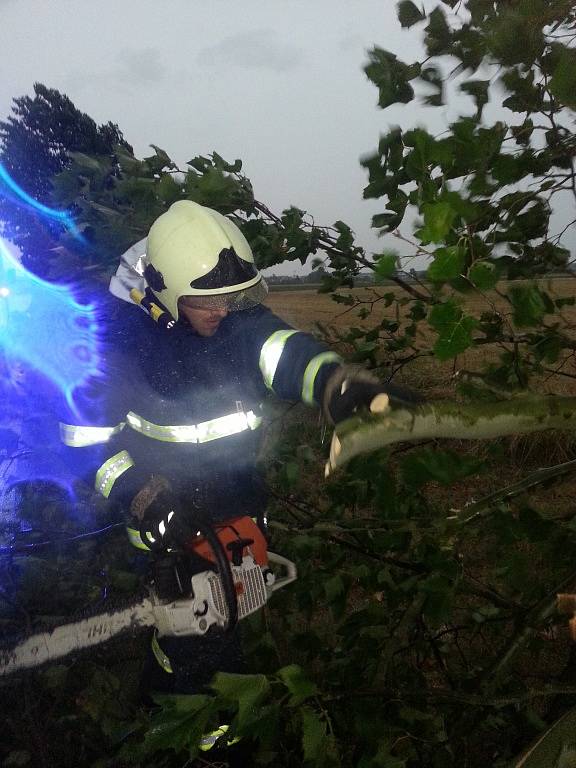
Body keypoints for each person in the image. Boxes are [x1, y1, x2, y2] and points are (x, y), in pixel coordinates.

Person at [59, 200, 413, 700]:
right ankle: (213, 746)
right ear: (163, 294)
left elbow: (278, 347)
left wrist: (334, 382)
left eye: (231, 300)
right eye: (207, 303)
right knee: (208, 667)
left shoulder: (229, 316)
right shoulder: (112, 341)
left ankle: (157, 706)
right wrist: (140, 494)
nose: (221, 313)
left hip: (237, 513)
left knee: (201, 641)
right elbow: (85, 443)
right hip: (167, 527)